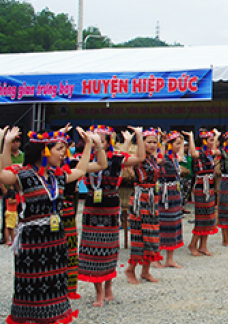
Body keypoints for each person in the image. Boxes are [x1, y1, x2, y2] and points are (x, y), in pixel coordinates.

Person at [0, 126, 97, 324]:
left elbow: (81, 170)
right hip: (32, 242)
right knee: (32, 285)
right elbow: (3, 174)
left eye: (64, 149)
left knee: (55, 284)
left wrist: (88, 145)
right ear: (45, 151)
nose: (64, 154)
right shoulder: (25, 175)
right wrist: (6, 143)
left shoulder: (57, 176)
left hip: (55, 240)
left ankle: (53, 317)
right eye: (59, 149)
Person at [79, 125, 145, 307]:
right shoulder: (84, 158)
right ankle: (98, 291)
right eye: (94, 139)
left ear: (108, 142)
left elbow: (140, 158)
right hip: (92, 206)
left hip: (110, 206)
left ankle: (108, 286)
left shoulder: (116, 158)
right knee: (93, 251)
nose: (97, 142)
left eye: (101, 139)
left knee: (109, 249)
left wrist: (138, 136)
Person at [125, 128, 164, 284]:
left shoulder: (154, 159)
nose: (153, 145)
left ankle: (145, 271)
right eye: (149, 142)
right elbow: (123, 156)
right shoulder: (138, 159)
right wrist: (135, 137)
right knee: (139, 236)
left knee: (152, 235)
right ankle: (130, 269)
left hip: (152, 199)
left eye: (155, 142)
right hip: (140, 200)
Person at [153, 131, 185, 268]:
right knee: (163, 224)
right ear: (169, 145)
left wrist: (184, 139)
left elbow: (182, 155)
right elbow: (157, 157)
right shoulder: (163, 158)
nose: (179, 146)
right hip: (164, 194)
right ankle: (156, 257)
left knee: (174, 224)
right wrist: (163, 142)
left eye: (180, 144)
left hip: (175, 193)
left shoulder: (174, 158)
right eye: (177, 144)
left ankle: (170, 259)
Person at [185, 129, 220, 256]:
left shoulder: (210, 153)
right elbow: (193, 153)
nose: (213, 142)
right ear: (204, 141)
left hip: (209, 186)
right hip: (201, 187)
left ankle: (203, 246)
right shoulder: (199, 152)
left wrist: (216, 136)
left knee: (209, 217)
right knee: (201, 218)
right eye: (210, 140)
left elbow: (217, 149)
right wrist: (191, 137)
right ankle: (192, 244)